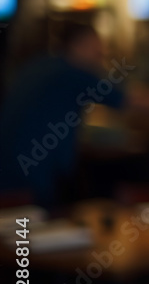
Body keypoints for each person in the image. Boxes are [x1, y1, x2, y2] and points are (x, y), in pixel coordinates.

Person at [0, 22, 126, 209]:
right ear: (78, 45)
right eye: (97, 52)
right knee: (27, 228)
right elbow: (126, 100)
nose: (99, 60)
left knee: (22, 228)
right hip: (31, 175)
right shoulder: (73, 73)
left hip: (9, 169)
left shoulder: (38, 64)